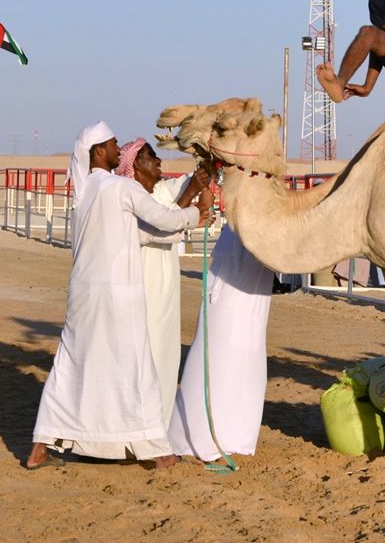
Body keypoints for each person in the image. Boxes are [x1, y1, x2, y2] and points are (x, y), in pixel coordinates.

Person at [27, 123, 210, 470]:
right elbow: (160, 219)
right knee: (138, 368)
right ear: (99, 151)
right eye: (112, 144)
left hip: (83, 297)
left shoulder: (85, 194)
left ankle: (41, 445)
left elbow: (141, 235)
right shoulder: (119, 188)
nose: (116, 148)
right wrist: (194, 216)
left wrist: (187, 220)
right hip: (118, 297)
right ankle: (160, 452)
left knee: (70, 367)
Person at [116, 138, 213, 423]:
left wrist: (208, 159)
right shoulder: (127, 196)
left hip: (166, 283)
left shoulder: (160, 190)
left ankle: (158, 425)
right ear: (134, 164)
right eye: (151, 156)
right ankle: (138, 426)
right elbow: (162, 224)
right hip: (141, 284)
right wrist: (193, 203)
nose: (159, 161)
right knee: (144, 353)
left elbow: (188, 189)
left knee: (166, 352)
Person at [168, 225, 274, 461]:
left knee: (245, 341)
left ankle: (233, 434)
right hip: (246, 239)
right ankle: (206, 435)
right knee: (225, 339)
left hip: (257, 241)